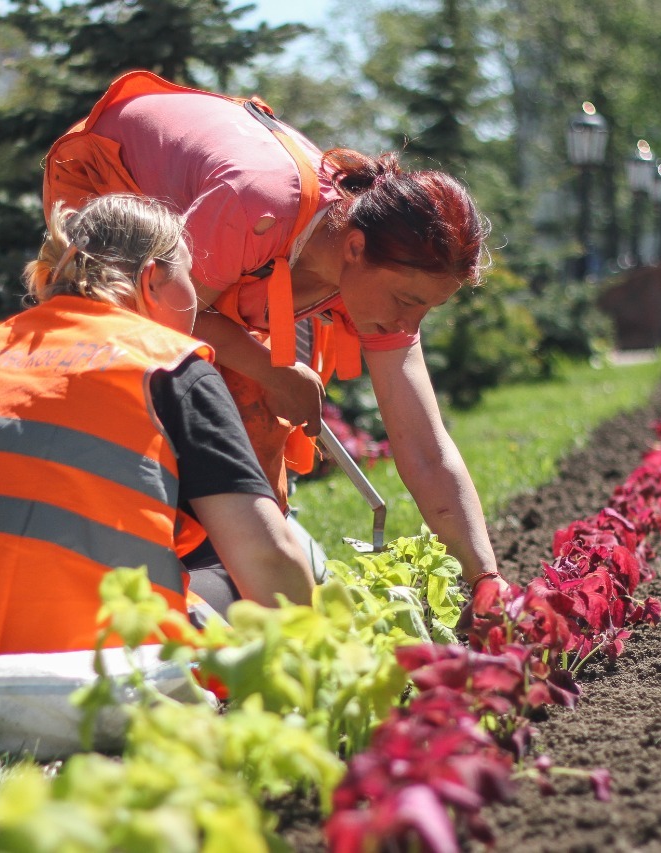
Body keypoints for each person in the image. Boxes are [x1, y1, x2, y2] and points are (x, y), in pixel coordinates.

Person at [44, 71, 506, 592]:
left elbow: (424, 446)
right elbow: (168, 317)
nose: (408, 326)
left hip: (213, 252)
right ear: (354, 249)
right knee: (174, 393)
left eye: (425, 310)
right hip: (111, 179)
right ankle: (132, 573)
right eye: (406, 302)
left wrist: (483, 574)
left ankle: (240, 579)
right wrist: (272, 369)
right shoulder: (256, 205)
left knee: (256, 413)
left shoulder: (376, 274)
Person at [0, 194, 314, 669]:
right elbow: (267, 564)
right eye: (190, 276)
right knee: (265, 560)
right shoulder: (167, 363)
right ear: (153, 279)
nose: (197, 298)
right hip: (84, 659)